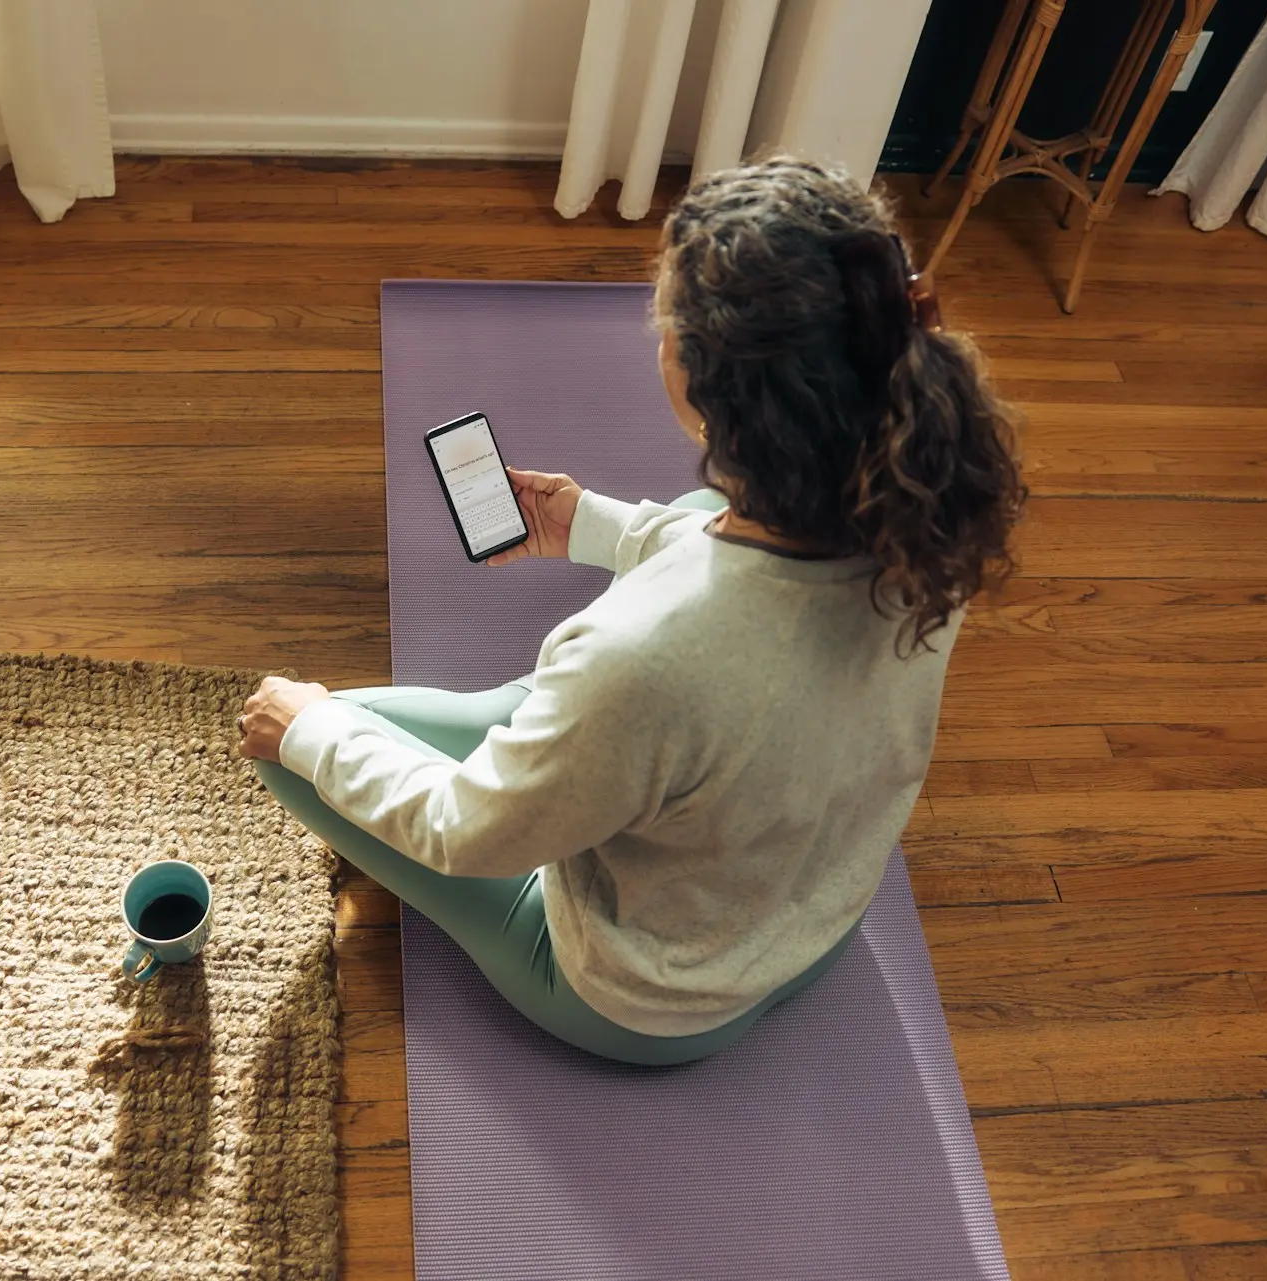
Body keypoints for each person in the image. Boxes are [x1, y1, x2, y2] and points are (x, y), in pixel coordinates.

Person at [237, 157, 1025, 1066]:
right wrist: (592, 524)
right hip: (818, 924)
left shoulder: (636, 656)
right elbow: (736, 584)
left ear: (699, 383)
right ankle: (557, 738)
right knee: (690, 526)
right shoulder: (929, 514)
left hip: (653, 998)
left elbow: (466, 830)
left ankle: (523, 740)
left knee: (298, 740)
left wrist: (310, 734)